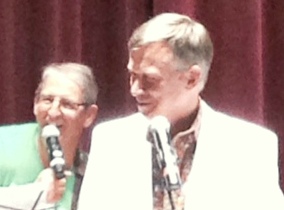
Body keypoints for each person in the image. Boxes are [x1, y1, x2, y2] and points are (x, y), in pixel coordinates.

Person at [78, 13, 284, 210]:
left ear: (192, 78)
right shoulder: (111, 139)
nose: (135, 90)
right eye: (132, 76)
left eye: (149, 80)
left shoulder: (250, 146)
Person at [0, 62, 98, 210]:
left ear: (89, 116)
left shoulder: (92, 173)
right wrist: (31, 196)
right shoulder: (4, 143)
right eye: (47, 100)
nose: (53, 112)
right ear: (35, 104)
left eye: (67, 104)